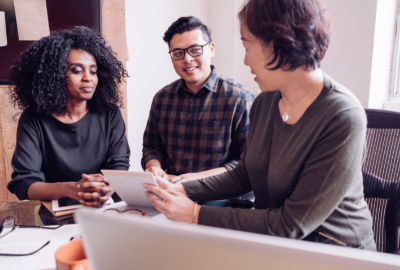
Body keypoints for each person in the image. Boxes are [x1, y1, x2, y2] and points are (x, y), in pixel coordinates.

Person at [144, 0, 376, 250]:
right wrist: (179, 186)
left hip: (335, 251)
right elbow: (246, 173)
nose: (245, 61)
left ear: (277, 44)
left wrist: (196, 214)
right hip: (275, 244)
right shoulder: (265, 102)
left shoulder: (342, 115)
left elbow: (290, 225)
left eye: (247, 45)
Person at [7, 26, 130, 207]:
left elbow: (119, 167)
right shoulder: (33, 119)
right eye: (77, 70)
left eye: (93, 71)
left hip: (106, 209)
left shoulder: (110, 114)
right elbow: (24, 184)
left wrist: (107, 186)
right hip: (58, 215)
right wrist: (71, 189)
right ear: (55, 76)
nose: (88, 78)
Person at [142, 16, 254, 185]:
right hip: (172, 188)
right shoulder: (162, 99)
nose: (187, 59)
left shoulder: (239, 98)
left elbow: (248, 163)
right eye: (178, 53)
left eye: (195, 49)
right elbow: (152, 147)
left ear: (211, 49)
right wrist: (154, 167)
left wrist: (199, 178)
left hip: (220, 193)